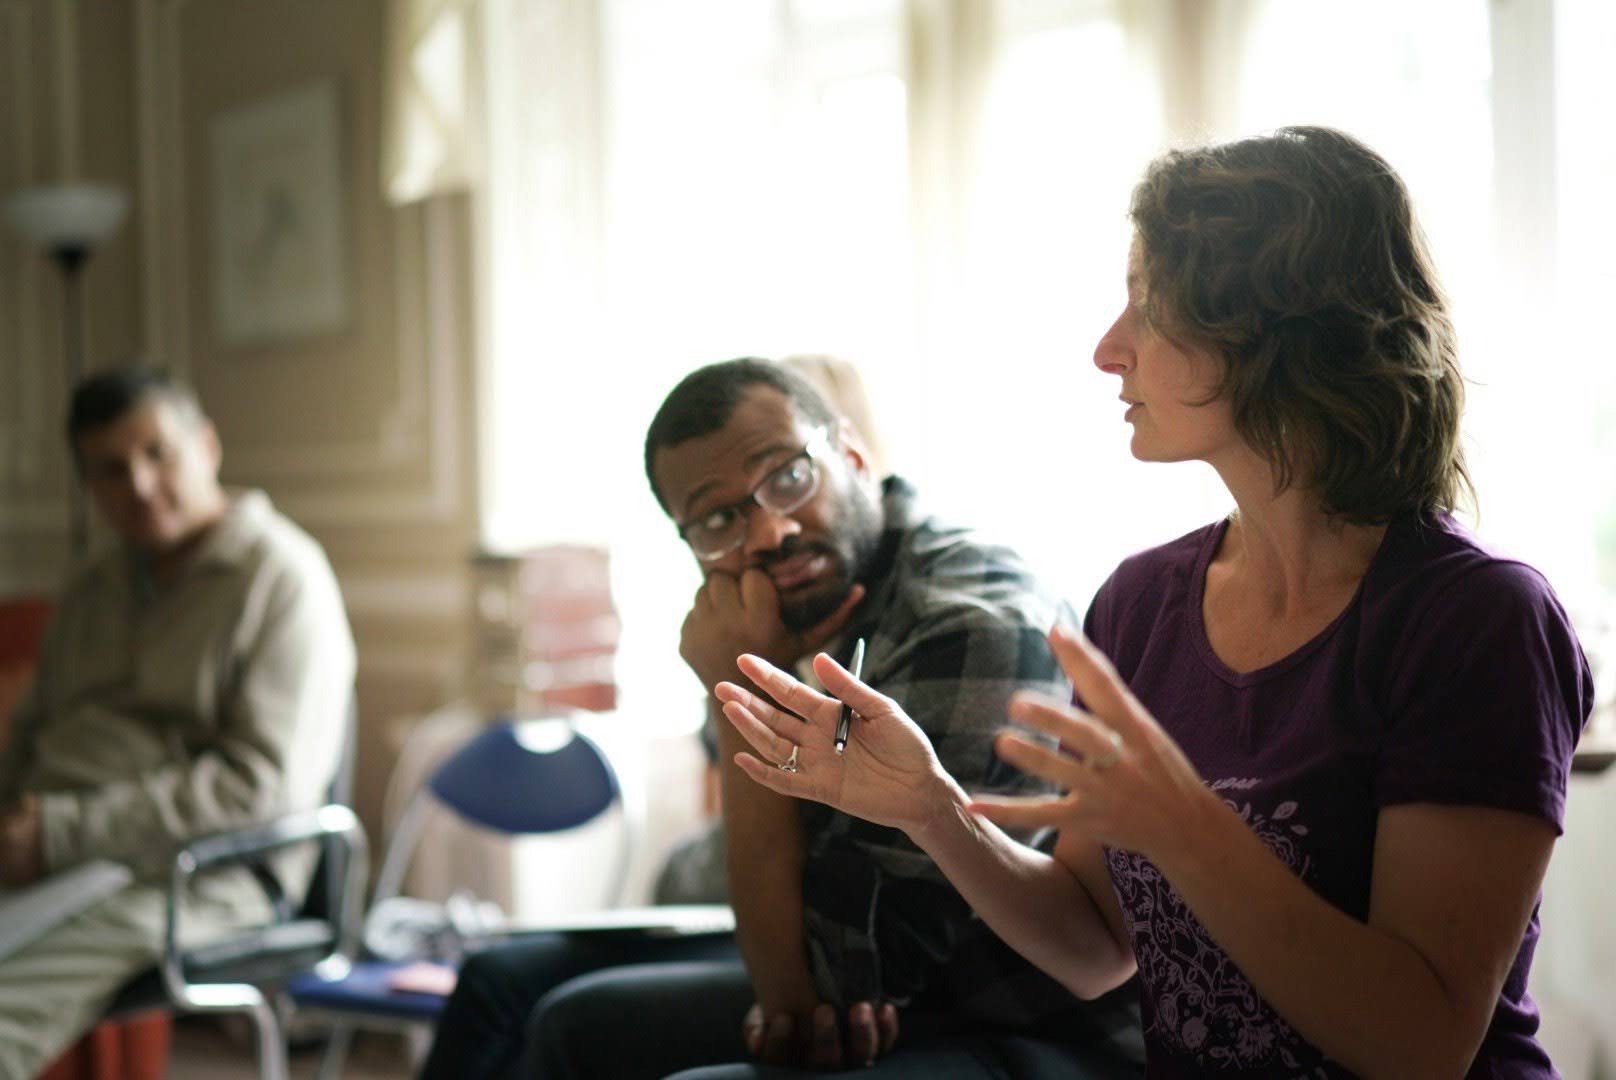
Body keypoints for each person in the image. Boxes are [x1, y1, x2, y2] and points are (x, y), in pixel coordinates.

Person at [719, 126, 1593, 1078]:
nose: (1108, 349)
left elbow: (1422, 1046)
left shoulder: (1476, 621)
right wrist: (933, 808)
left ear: (1267, 330)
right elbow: (1094, 948)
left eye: (1148, 302)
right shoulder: (1141, 603)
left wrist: (1187, 825)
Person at [430, 357, 1141, 1079]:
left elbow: (817, 997)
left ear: (854, 455)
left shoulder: (967, 627)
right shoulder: (794, 606)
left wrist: (732, 692)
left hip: (1026, 1017)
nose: (768, 532)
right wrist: (745, 678)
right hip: (877, 968)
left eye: (788, 477)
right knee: (498, 981)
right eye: (719, 518)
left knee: (575, 1028)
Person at [0, 366, 355, 1078]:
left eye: (157, 453)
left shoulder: (281, 579)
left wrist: (64, 831)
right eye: (108, 469)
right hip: (55, 860)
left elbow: (259, 787)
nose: (136, 484)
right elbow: (31, 734)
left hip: (200, 874)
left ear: (207, 447)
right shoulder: (92, 584)